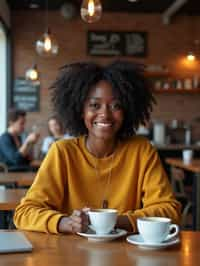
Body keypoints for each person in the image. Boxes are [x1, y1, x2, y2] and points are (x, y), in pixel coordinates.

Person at [14, 61, 181, 234]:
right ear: (81, 111)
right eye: (95, 105)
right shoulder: (63, 152)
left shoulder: (141, 151)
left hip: (127, 256)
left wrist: (114, 221)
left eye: (116, 106)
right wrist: (66, 223)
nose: (105, 114)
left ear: (127, 111)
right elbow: (24, 213)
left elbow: (169, 210)